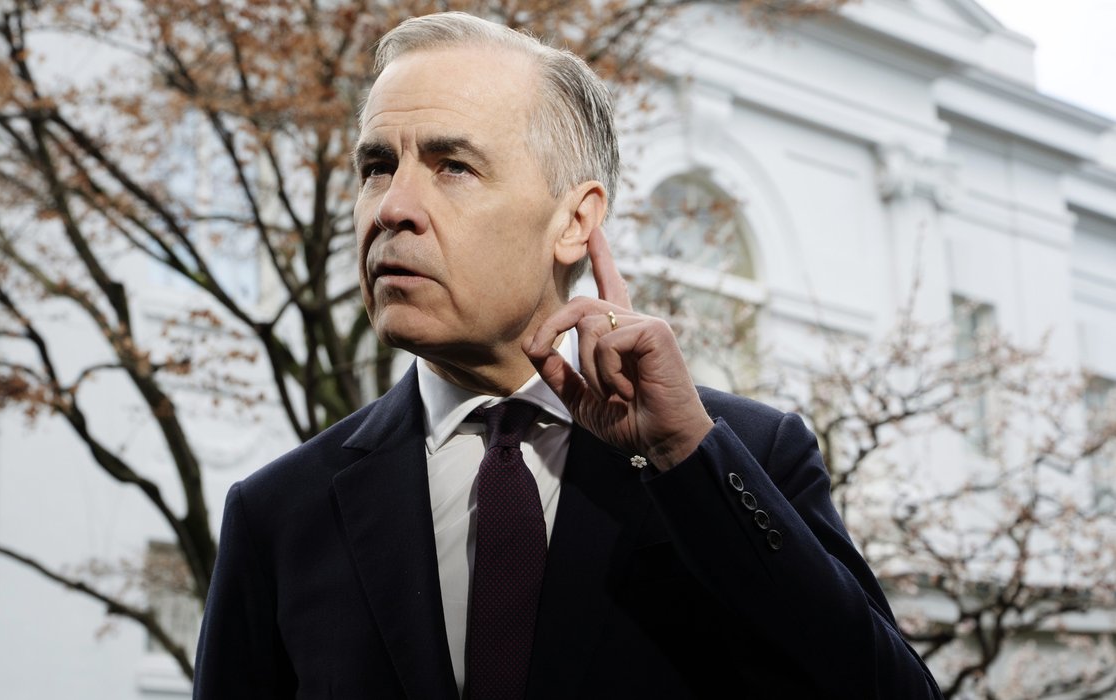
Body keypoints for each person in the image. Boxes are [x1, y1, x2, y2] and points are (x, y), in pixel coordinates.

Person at [192, 11, 942, 700]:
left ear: (574, 222)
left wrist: (688, 458)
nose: (391, 207)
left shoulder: (740, 458)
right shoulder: (277, 516)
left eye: (451, 165)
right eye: (378, 166)